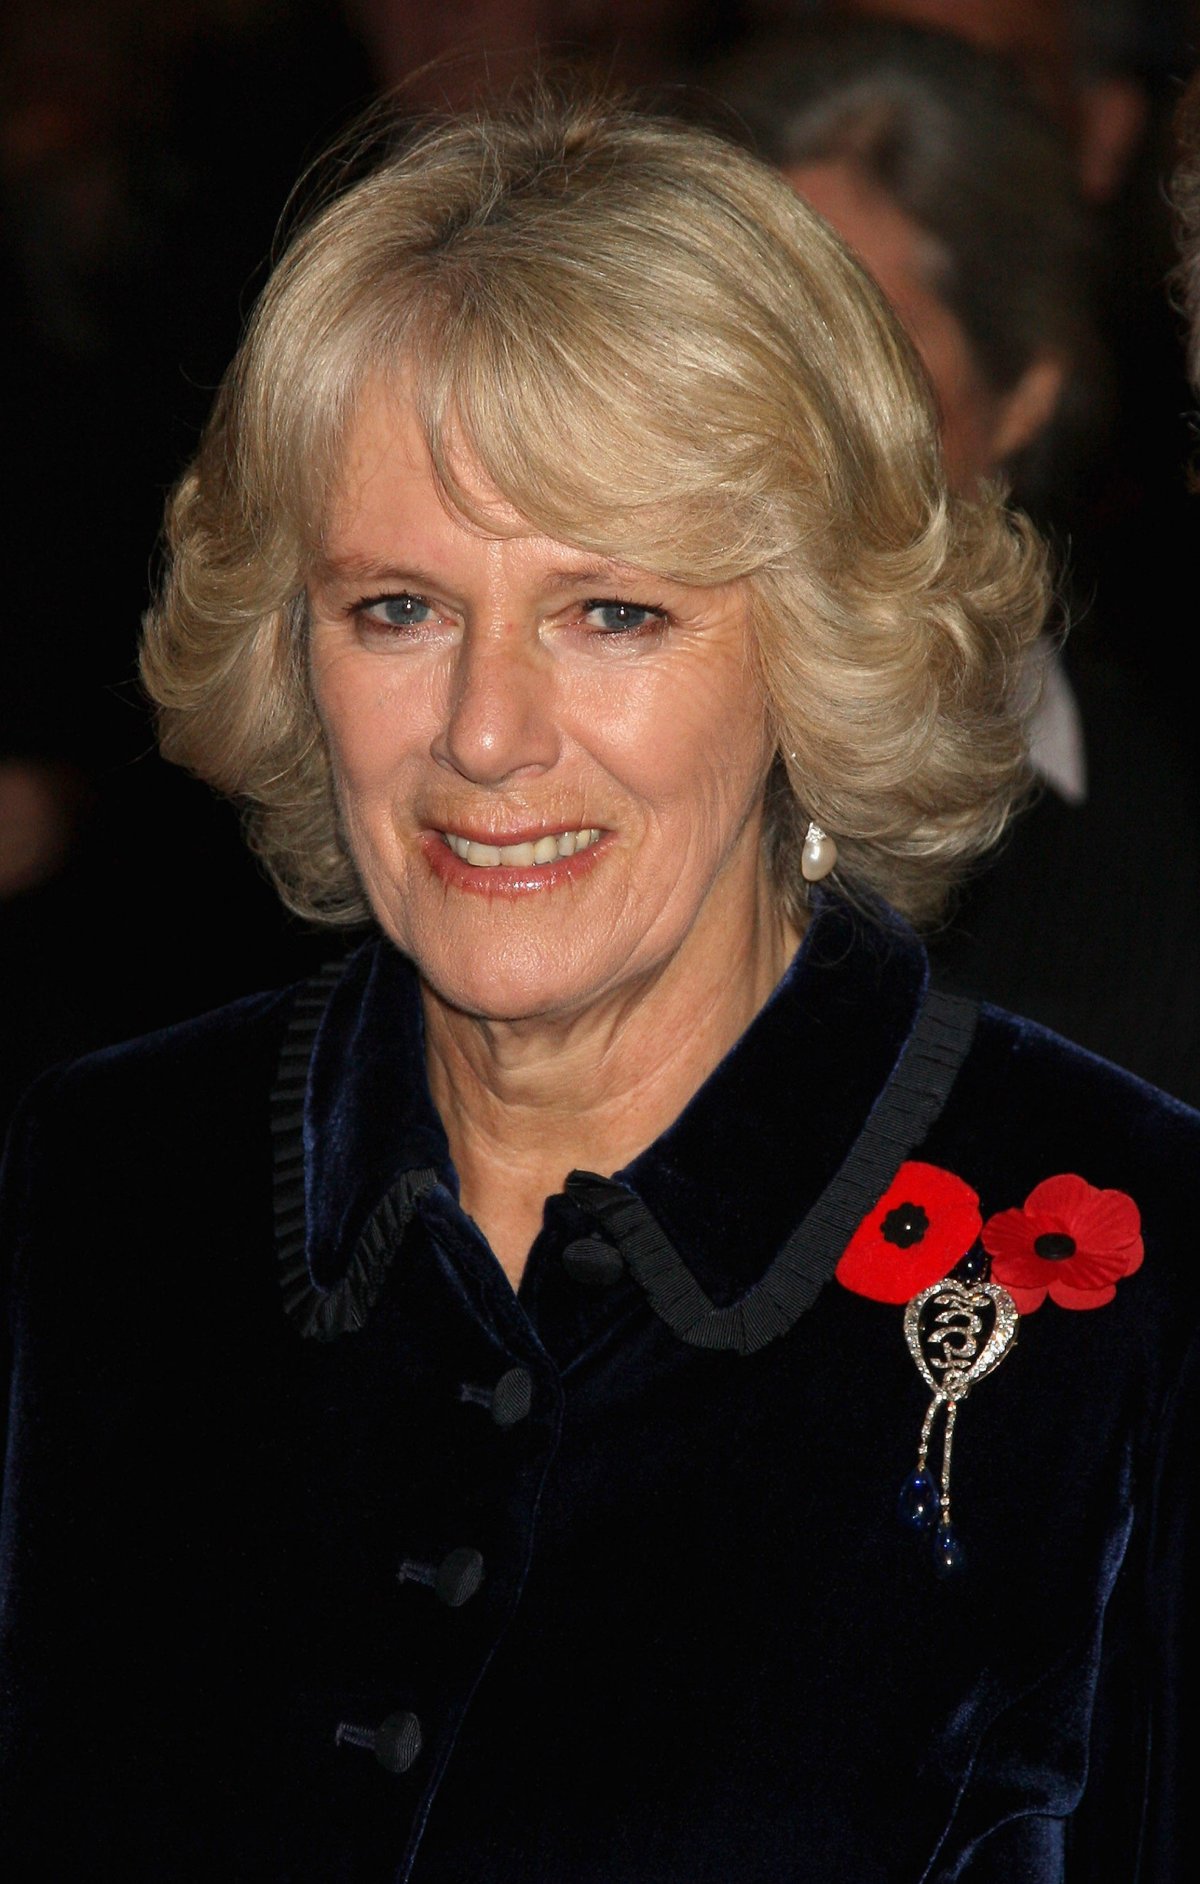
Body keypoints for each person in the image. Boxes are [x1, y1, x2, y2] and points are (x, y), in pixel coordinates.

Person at [1, 86, 1197, 1882]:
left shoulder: (1137, 1281)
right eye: (398, 608)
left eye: (611, 612)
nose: (486, 732)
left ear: (814, 645)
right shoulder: (100, 1182)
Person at [705, 16, 1200, 1104]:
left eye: (871, 360)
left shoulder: (1154, 857)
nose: (791, 423)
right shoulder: (586, 744)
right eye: (746, 350)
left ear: (1024, 396)